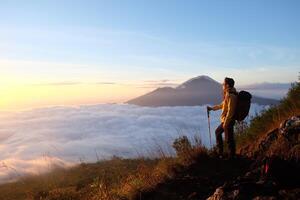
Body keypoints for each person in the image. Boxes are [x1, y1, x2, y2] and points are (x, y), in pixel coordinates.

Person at [207, 77, 237, 158]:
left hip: (228, 120)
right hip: (227, 120)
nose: (222, 85)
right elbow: (222, 105)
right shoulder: (228, 94)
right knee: (228, 138)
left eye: (223, 84)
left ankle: (224, 155)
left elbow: (230, 111)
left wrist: (225, 123)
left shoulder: (231, 96)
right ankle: (228, 155)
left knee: (225, 137)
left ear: (227, 85)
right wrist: (212, 108)